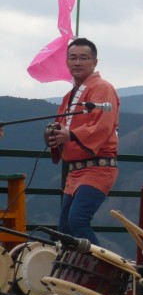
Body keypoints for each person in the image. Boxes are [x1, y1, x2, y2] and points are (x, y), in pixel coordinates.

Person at [44, 38, 120, 246]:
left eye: (83, 58)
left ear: (95, 62)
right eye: (73, 58)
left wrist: (71, 135)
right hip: (75, 171)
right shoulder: (70, 95)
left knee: (77, 220)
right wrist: (54, 136)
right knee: (65, 229)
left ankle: (104, 272)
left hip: (97, 167)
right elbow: (62, 127)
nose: (77, 62)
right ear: (67, 62)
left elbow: (103, 126)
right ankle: (74, 273)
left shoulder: (103, 88)